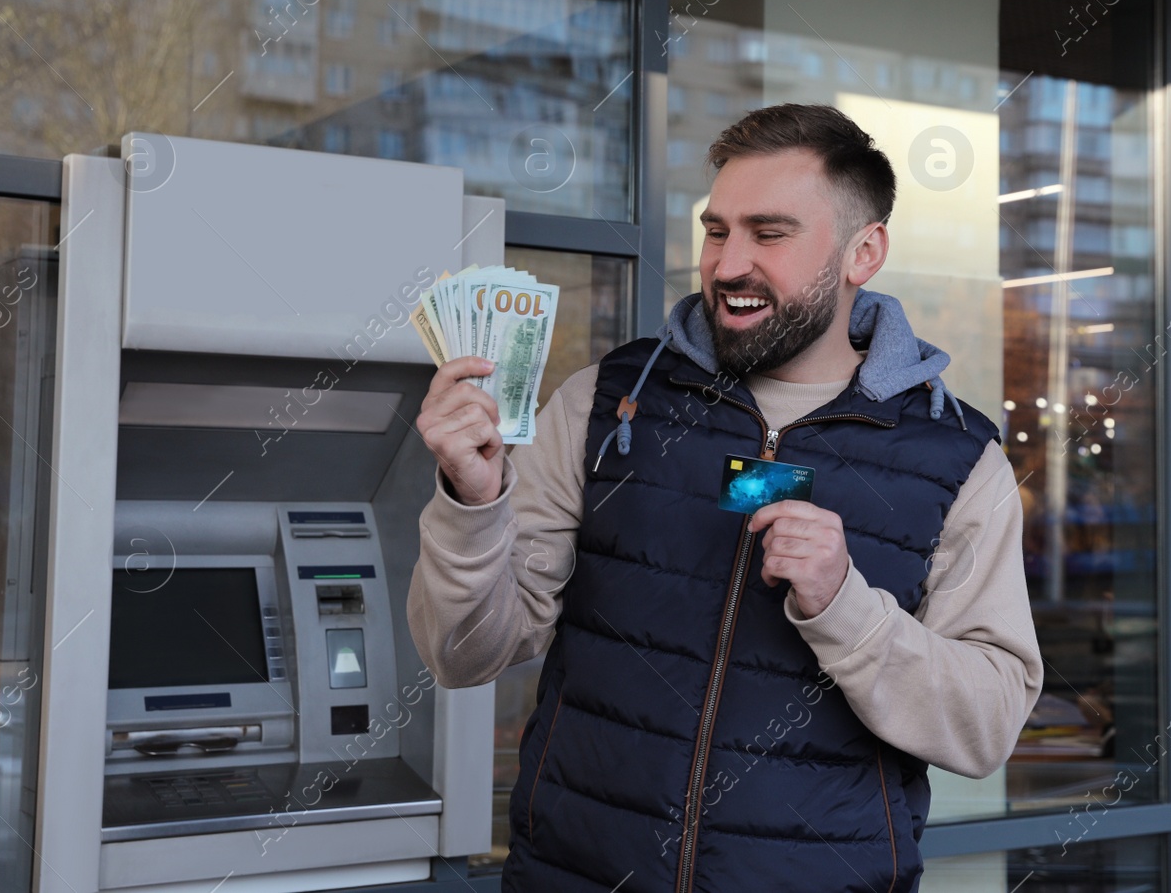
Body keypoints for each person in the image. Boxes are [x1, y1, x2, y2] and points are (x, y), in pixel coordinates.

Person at [408, 103, 1043, 893]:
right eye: (718, 231)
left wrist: (847, 606)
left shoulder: (959, 461)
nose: (729, 263)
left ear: (864, 252)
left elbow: (986, 727)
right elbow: (463, 653)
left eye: (769, 234)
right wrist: (473, 504)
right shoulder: (604, 405)